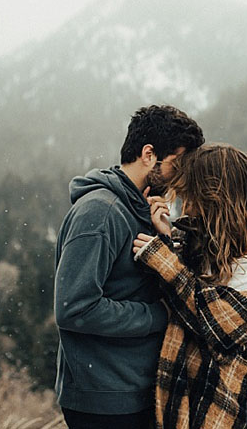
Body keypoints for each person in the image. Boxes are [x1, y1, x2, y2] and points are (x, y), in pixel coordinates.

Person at [132, 143, 247, 429]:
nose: (187, 206)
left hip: (222, 396)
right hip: (178, 385)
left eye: (192, 195)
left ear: (216, 195)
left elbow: (224, 326)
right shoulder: (198, 236)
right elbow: (185, 297)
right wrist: (167, 238)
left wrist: (165, 260)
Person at [53, 105, 205, 429]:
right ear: (149, 155)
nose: (181, 177)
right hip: (106, 400)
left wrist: (164, 238)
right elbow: (74, 308)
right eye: (178, 165)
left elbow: (135, 285)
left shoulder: (139, 210)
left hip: (134, 390)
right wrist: (158, 315)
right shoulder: (100, 213)